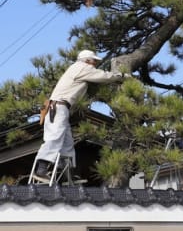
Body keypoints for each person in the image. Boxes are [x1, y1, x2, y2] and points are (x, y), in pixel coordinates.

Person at [33, 49, 130, 181]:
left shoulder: (75, 68)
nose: (95, 64)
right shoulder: (82, 67)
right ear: (87, 60)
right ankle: (41, 168)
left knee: (67, 143)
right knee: (54, 137)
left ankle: (66, 173)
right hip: (59, 107)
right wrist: (121, 76)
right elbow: (103, 76)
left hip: (59, 107)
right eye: (94, 61)